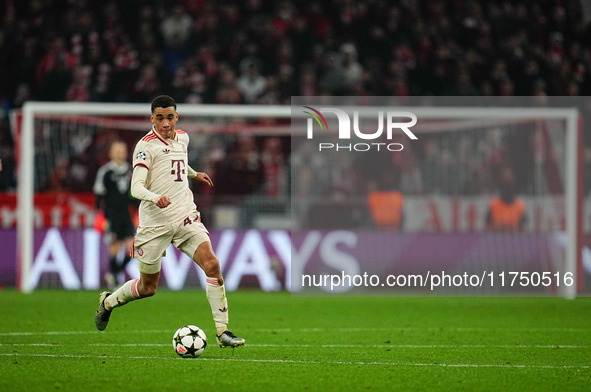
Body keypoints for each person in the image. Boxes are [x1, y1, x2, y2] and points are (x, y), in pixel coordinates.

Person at [94, 95, 245, 348]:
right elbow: (136, 187)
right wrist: (156, 198)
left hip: (185, 215)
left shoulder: (182, 138)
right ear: (152, 119)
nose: (166, 123)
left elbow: (177, 162)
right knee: (147, 287)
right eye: (160, 118)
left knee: (212, 265)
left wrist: (194, 173)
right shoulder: (145, 146)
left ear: (177, 117)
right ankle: (108, 302)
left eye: (170, 117)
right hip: (155, 223)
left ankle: (222, 332)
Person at [93, 141, 136, 289]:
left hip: (126, 215)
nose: (119, 153)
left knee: (132, 249)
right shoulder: (105, 172)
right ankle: (114, 279)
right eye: (116, 150)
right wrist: (102, 217)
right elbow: (99, 197)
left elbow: (135, 196)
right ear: (111, 153)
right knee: (115, 247)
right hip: (110, 216)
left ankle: (114, 273)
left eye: (122, 150)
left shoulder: (131, 171)